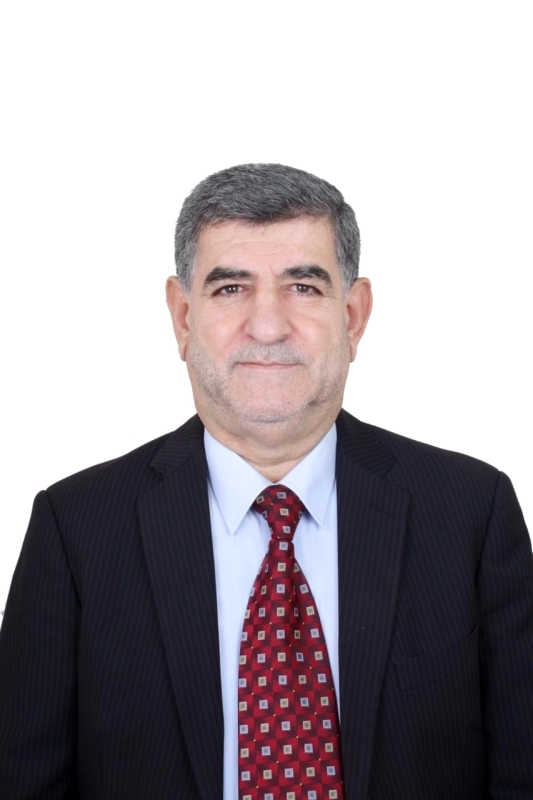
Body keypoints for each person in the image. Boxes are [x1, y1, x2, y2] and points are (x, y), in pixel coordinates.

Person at [1, 163, 532, 800]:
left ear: (354, 316)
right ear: (183, 317)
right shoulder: (75, 529)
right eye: (231, 288)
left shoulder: (472, 513)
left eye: (303, 287)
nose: (268, 326)